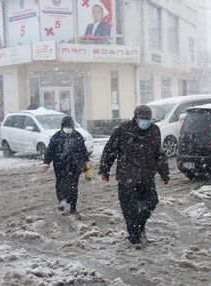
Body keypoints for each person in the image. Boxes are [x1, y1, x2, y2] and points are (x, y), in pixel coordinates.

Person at [99, 105, 169, 248]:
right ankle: (134, 239)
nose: (146, 122)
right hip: (127, 178)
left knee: (151, 202)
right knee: (129, 211)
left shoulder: (154, 130)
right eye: (143, 119)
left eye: (148, 120)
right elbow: (110, 151)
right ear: (136, 118)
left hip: (147, 177)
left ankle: (140, 227)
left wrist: (164, 173)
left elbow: (159, 154)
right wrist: (104, 170)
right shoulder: (122, 130)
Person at [41, 116, 90, 214]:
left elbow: (83, 152)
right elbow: (50, 151)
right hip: (60, 166)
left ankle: (73, 207)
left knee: (73, 187)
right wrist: (46, 162)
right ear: (62, 126)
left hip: (75, 167)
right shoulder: (56, 137)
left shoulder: (78, 136)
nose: (68, 129)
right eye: (66, 126)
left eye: (70, 126)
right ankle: (62, 201)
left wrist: (87, 165)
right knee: (60, 185)